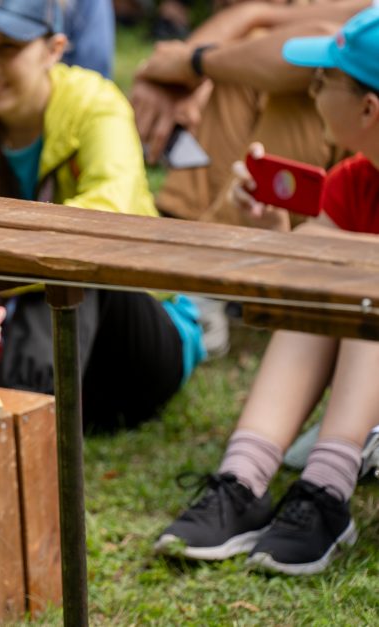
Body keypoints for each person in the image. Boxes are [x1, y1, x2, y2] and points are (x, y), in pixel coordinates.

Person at [0, 0, 205, 431]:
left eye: (8, 47)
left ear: (54, 48)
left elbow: (104, 225)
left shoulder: (95, 102)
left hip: (130, 358)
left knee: (71, 272)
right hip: (15, 339)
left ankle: (22, 431)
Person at [155, 7, 379, 574]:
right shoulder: (353, 182)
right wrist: (270, 230)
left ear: (368, 108)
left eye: (324, 81)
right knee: (327, 288)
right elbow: (303, 272)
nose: (312, 88)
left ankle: (328, 490)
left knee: (364, 290)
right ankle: (244, 480)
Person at [133, 0, 372, 225]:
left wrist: (193, 63)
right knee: (248, 56)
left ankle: (215, 243)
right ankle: (182, 219)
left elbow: (325, 38)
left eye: (323, 82)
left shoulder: (352, 179)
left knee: (288, 87)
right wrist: (177, 73)